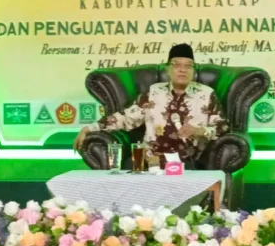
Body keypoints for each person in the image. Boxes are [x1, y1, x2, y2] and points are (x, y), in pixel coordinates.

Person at [73, 43, 229, 166]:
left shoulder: (206, 94)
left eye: (188, 65)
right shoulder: (154, 92)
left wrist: (200, 131)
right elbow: (126, 118)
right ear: (168, 69)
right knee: (126, 171)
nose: (182, 70)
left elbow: (222, 127)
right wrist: (90, 128)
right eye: (176, 65)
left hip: (187, 161)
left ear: (194, 70)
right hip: (150, 159)